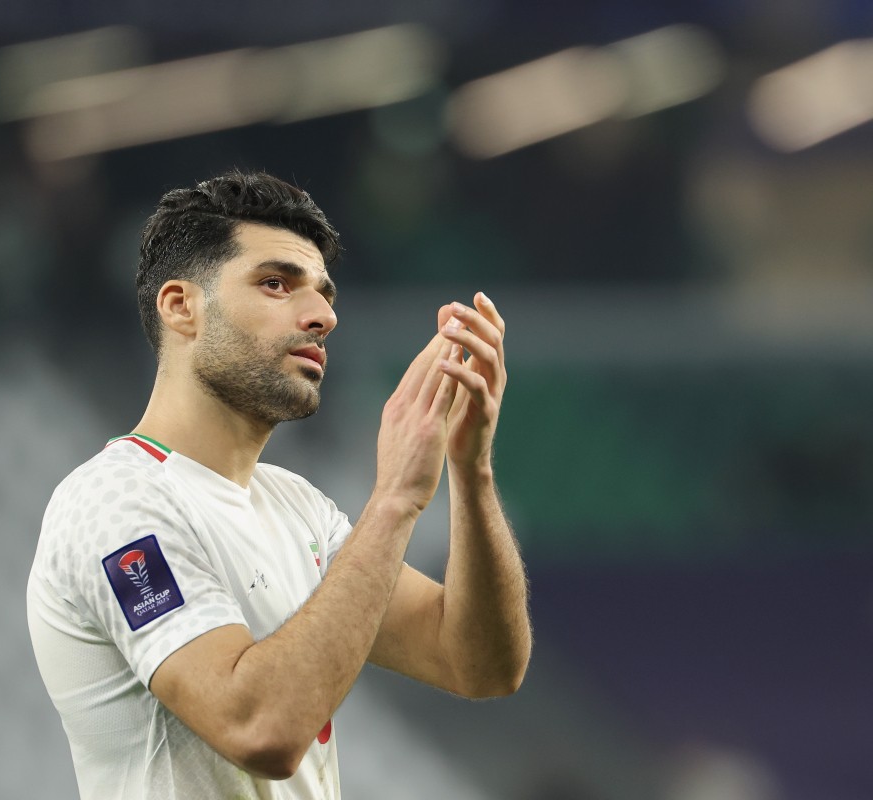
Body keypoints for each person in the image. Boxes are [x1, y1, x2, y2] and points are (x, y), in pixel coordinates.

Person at [26, 170, 531, 799]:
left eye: (324, 294)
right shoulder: (116, 501)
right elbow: (260, 728)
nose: (323, 316)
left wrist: (471, 469)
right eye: (275, 284)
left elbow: (479, 663)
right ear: (181, 307)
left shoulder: (298, 508)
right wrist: (396, 498)